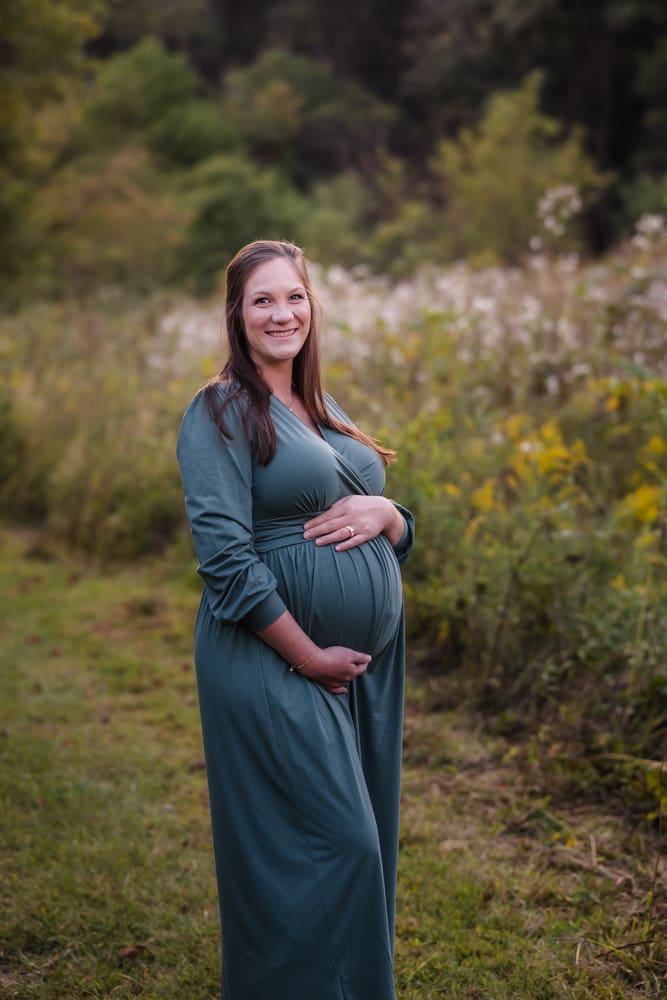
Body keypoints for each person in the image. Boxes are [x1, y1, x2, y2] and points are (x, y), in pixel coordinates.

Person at [176, 239, 414, 1000]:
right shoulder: (219, 408)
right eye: (262, 300)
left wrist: (391, 515)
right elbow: (223, 560)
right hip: (273, 655)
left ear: (313, 305)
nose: (282, 314)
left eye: (294, 297)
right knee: (333, 848)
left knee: (361, 842)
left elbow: (379, 523)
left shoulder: (321, 405)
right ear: (236, 315)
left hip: (358, 667)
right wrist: (306, 655)